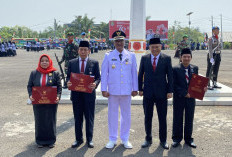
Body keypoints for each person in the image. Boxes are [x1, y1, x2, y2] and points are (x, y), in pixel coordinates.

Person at [101, 30, 138, 149]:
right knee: (112, 115)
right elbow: (104, 74)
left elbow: (134, 73)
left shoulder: (131, 55)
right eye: (117, 41)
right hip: (112, 91)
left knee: (126, 115)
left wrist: (135, 88)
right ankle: (112, 138)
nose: (119, 43)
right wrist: (103, 89)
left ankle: (125, 138)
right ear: (113, 42)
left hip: (127, 90)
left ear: (124, 41)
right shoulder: (108, 55)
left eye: (121, 41)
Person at [138, 37, 173, 149]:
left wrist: (170, 91)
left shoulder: (166, 58)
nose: (155, 49)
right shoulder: (144, 58)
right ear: (149, 47)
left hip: (162, 93)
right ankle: (148, 139)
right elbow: (140, 75)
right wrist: (140, 89)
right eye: (152, 47)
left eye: (157, 47)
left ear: (160, 47)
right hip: (147, 93)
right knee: (148, 117)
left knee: (162, 117)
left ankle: (163, 140)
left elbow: (170, 76)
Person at [67, 40, 100, 148]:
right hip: (76, 95)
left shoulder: (94, 63)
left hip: (89, 95)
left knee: (89, 117)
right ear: (78, 50)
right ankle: (78, 139)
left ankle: (89, 139)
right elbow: (68, 77)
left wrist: (95, 83)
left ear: (89, 51)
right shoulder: (71, 63)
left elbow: (98, 77)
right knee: (77, 118)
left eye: (85, 50)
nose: (83, 52)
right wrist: (68, 82)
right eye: (81, 49)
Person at [27, 54, 62, 148]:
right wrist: (30, 95)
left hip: (51, 102)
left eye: (46, 61)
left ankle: (51, 140)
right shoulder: (34, 73)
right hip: (38, 101)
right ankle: (40, 141)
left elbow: (59, 87)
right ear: (40, 62)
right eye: (42, 61)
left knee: (50, 120)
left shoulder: (55, 73)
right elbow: (29, 86)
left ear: (49, 62)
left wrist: (58, 96)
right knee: (39, 120)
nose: (44, 62)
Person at [172, 48, 204, 148]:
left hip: (191, 98)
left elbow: (197, 82)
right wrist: (184, 93)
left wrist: (203, 87)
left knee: (189, 118)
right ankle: (176, 139)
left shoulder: (195, 68)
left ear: (191, 58)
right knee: (178, 118)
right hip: (179, 98)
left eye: (188, 57)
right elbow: (173, 84)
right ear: (181, 58)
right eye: (184, 57)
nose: (186, 58)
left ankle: (188, 139)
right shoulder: (175, 69)